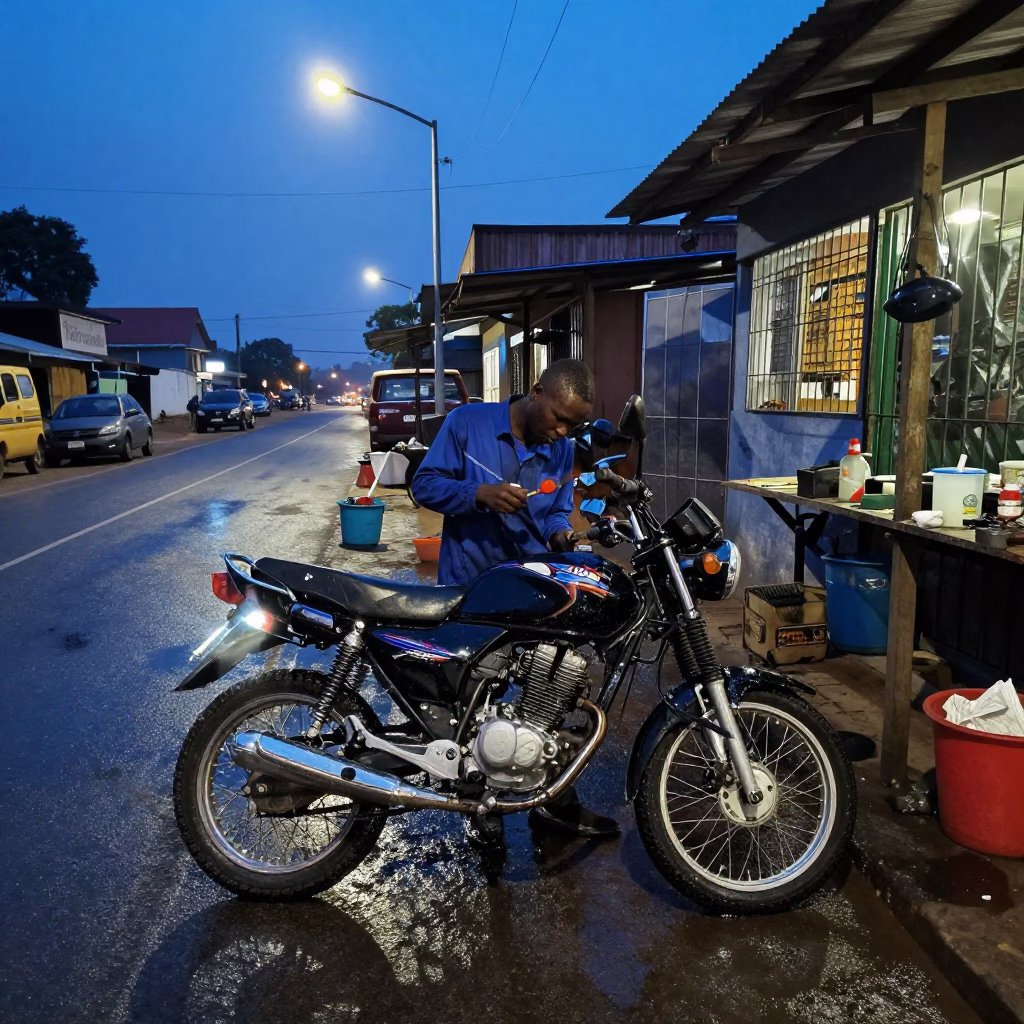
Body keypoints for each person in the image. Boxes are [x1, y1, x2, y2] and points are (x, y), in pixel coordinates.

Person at [412, 358, 620, 847]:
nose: (565, 431)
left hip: (527, 590)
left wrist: (565, 534)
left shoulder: (561, 447)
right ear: (535, 392)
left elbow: (549, 514)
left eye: (575, 424)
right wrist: (477, 493)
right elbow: (424, 484)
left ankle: (553, 803)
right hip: (468, 587)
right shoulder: (467, 423)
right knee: (471, 702)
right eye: (560, 418)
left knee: (553, 690)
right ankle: (477, 803)